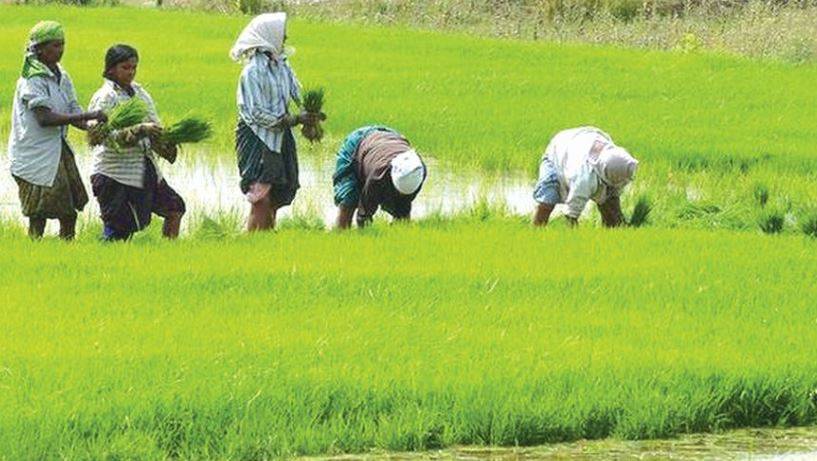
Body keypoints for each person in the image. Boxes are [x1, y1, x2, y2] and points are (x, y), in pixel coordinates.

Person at [8, 21, 107, 240]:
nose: (60, 50)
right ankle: (36, 252)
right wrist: (88, 116)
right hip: (34, 155)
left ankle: (65, 253)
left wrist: (94, 128)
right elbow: (44, 118)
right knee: (39, 214)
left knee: (69, 211)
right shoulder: (31, 79)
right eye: (54, 45)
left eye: (62, 44)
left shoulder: (62, 75)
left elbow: (73, 110)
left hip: (57, 150)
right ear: (39, 48)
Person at [87, 44, 185, 241]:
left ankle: (170, 255)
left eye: (134, 67)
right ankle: (103, 262)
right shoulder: (105, 97)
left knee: (175, 208)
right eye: (125, 67)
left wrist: (166, 139)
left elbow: (154, 125)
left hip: (144, 169)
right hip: (115, 174)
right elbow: (104, 136)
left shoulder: (140, 93)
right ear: (111, 68)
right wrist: (140, 130)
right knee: (119, 229)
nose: (130, 72)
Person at [231, 13, 318, 232]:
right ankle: (252, 243)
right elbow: (256, 113)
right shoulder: (251, 72)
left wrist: (310, 113)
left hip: (281, 134)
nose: (285, 36)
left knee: (278, 190)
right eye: (282, 33)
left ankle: (266, 239)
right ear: (269, 36)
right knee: (261, 194)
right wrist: (293, 119)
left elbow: (297, 91)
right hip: (257, 137)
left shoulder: (282, 65)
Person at [532, 126, 638, 228]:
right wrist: (574, 236)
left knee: (609, 201)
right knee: (548, 200)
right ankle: (536, 233)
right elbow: (571, 214)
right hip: (558, 151)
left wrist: (618, 219)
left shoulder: (619, 160)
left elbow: (613, 195)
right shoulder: (584, 179)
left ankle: (613, 231)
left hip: (584, 139)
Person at [333, 126, 426, 229]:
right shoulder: (377, 178)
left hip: (390, 138)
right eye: (399, 191)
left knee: (402, 212)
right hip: (357, 144)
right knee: (349, 199)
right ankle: (340, 235)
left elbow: (405, 206)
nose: (399, 194)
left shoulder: (418, 170)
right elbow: (364, 215)